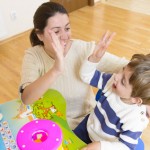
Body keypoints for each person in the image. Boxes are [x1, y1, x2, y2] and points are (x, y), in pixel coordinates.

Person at [19, 2, 128, 129]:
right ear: (40, 35)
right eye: (56, 31)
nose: (65, 36)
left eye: (67, 28)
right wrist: (56, 70)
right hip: (50, 124)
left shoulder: (86, 50)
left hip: (86, 125)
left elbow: (128, 67)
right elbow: (26, 98)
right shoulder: (33, 55)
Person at [73, 35, 150, 150]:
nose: (116, 76)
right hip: (87, 127)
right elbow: (86, 76)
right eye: (122, 70)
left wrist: (100, 146)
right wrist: (94, 59)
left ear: (135, 99)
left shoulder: (136, 120)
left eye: (123, 81)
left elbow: (126, 146)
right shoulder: (111, 82)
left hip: (106, 145)